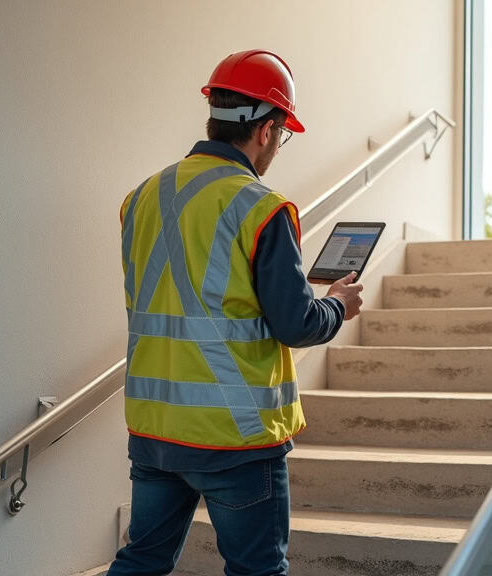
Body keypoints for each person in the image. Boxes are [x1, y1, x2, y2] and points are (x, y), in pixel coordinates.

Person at [108, 49, 363, 576]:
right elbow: (297, 324)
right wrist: (338, 305)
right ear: (266, 130)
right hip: (236, 437)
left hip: (155, 430)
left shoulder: (141, 197)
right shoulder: (260, 207)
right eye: (282, 135)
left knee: (141, 561)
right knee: (256, 571)